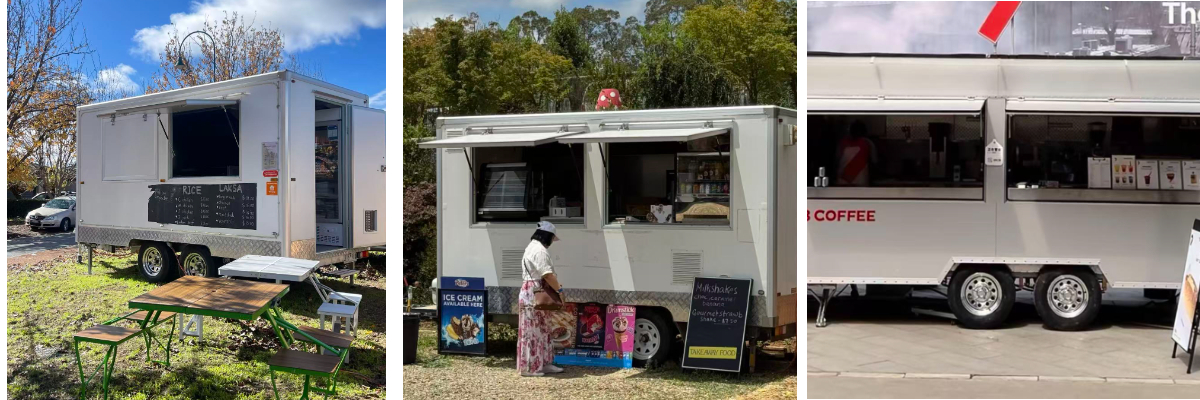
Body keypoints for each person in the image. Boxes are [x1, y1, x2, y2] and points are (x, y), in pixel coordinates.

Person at [517, 221, 565, 377]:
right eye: (552, 238)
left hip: (532, 291)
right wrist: (560, 290)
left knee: (541, 330)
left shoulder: (531, 247)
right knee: (533, 331)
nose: (552, 242)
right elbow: (547, 274)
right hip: (535, 292)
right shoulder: (539, 250)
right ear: (548, 236)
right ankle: (531, 367)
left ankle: (543, 363)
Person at [837, 120, 878, 186]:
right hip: (860, 181)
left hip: (843, 181)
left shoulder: (842, 143)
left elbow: (837, 160)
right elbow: (874, 162)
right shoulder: (868, 143)